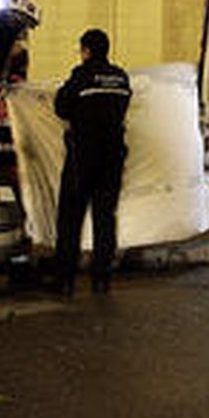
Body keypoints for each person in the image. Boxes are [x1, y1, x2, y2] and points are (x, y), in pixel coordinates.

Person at [51, 28, 131, 295]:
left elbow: (61, 106)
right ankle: (102, 278)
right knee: (105, 217)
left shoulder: (81, 76)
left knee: (70, 219)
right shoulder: (121, 78)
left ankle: (65, 278)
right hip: (113, 159)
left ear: (86, 50)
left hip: (82, 158)